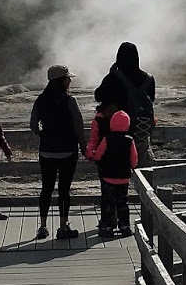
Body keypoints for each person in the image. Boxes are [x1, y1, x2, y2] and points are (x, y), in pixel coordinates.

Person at [30, 64, 85, 240]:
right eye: (68, 78)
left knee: (46, 188)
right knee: (63, 190)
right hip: (68, 150)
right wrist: (83, 146)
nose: (70, 81)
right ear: (61, 80)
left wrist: (43, 134)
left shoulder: (40, 100)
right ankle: (63, 227)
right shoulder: (70, 100)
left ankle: (42, 226)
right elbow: (78, 126)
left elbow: (33, 124)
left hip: (46, 151)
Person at [94, 42, 156, 166]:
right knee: (142, 162)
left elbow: (98, 96)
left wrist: (110, 74)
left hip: (117, 131)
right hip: (141, 128)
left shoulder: (114, 78)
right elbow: (151, 100)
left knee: (118, 166)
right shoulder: (149, 79)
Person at [86, 109, 138, 238]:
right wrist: (132, 166)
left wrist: (94, 156)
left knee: (108, 201)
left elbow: (99, 155)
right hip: (124, 177)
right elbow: (134, 159)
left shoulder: (107, 139)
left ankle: (108, 227)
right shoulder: (129, 140)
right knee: (123, 202)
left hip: (108, 176)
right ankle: (125, 226)